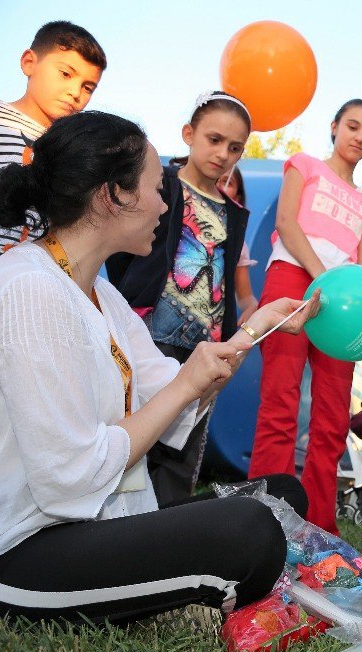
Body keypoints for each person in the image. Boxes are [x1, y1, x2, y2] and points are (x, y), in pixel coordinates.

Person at [0, 111, 319, 623]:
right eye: (157, 188)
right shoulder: (29, 290)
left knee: (283, 495)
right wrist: (183, 386)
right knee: (250, 533)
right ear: (112, 194)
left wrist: (252, 331)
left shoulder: (102, 295)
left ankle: (172, 590)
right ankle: (175, 597)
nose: (165, 204)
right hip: (18, 551)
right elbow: (69, 480)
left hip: (99, 520)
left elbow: (181, 396)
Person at [106, 92, 252, 506]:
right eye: (214, 139)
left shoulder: (233, 211)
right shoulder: (162, 186)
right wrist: (133, 298)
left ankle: (169, 535)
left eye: (235, 147)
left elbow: (223, 278)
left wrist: (225, 342)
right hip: (148, 336)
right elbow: (123, 253)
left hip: (201, 348)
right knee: (136, 434)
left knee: (182, 448)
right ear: (189, 134)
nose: (223, 154)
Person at [248, 99, 362, 535]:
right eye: (353, 126)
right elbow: (287, 223)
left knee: (331, 418)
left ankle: (320, 524)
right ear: (335, 126)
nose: (359, 137)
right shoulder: (304, 165)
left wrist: (356, 303)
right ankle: (265, 516)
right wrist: (323, 281)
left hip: (342, 308)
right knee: (280, 401)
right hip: (291, 277)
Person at [0, 20, 105, 269]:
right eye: (66, 74)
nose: (75, 92)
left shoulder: (72, 150)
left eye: (87, 87)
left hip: (24, 286)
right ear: (29, 63)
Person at [218, 168, 259, 325]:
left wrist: (253, 309)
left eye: (227, 181)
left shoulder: (238, 244)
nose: (219, 186)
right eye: (215, 179)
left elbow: (245, 298)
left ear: (237, 196)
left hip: (212, 331)